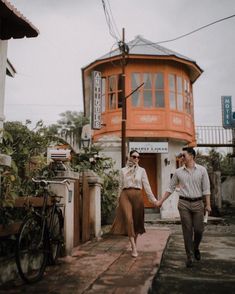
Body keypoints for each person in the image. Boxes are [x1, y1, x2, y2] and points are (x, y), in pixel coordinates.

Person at [156, 147, 211, 267]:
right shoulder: (178, 172)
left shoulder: (202, 170)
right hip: (183, 203)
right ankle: (189, 256)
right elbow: (170, 188)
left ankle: (195, 247)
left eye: (183, 155)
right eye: (181, 156)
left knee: (199, 230)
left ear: (191, 156)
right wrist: (161, 201)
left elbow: (206, 189)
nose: (181, 158)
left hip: (198, 203)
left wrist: (208, 204)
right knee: (187, 230)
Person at [110, 150, 158, 257]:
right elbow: (120, 186)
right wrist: (117, 200)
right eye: (134, 156)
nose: (136, 159)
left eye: (138, 157)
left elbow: (147, 186)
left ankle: (134, 243)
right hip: (125, 194)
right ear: (129, 157)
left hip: (137, 195)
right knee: (129, 219)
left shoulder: (142, 171)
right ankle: (134, 247)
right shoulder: (123, 170)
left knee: (136, 221)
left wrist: (153, 200)